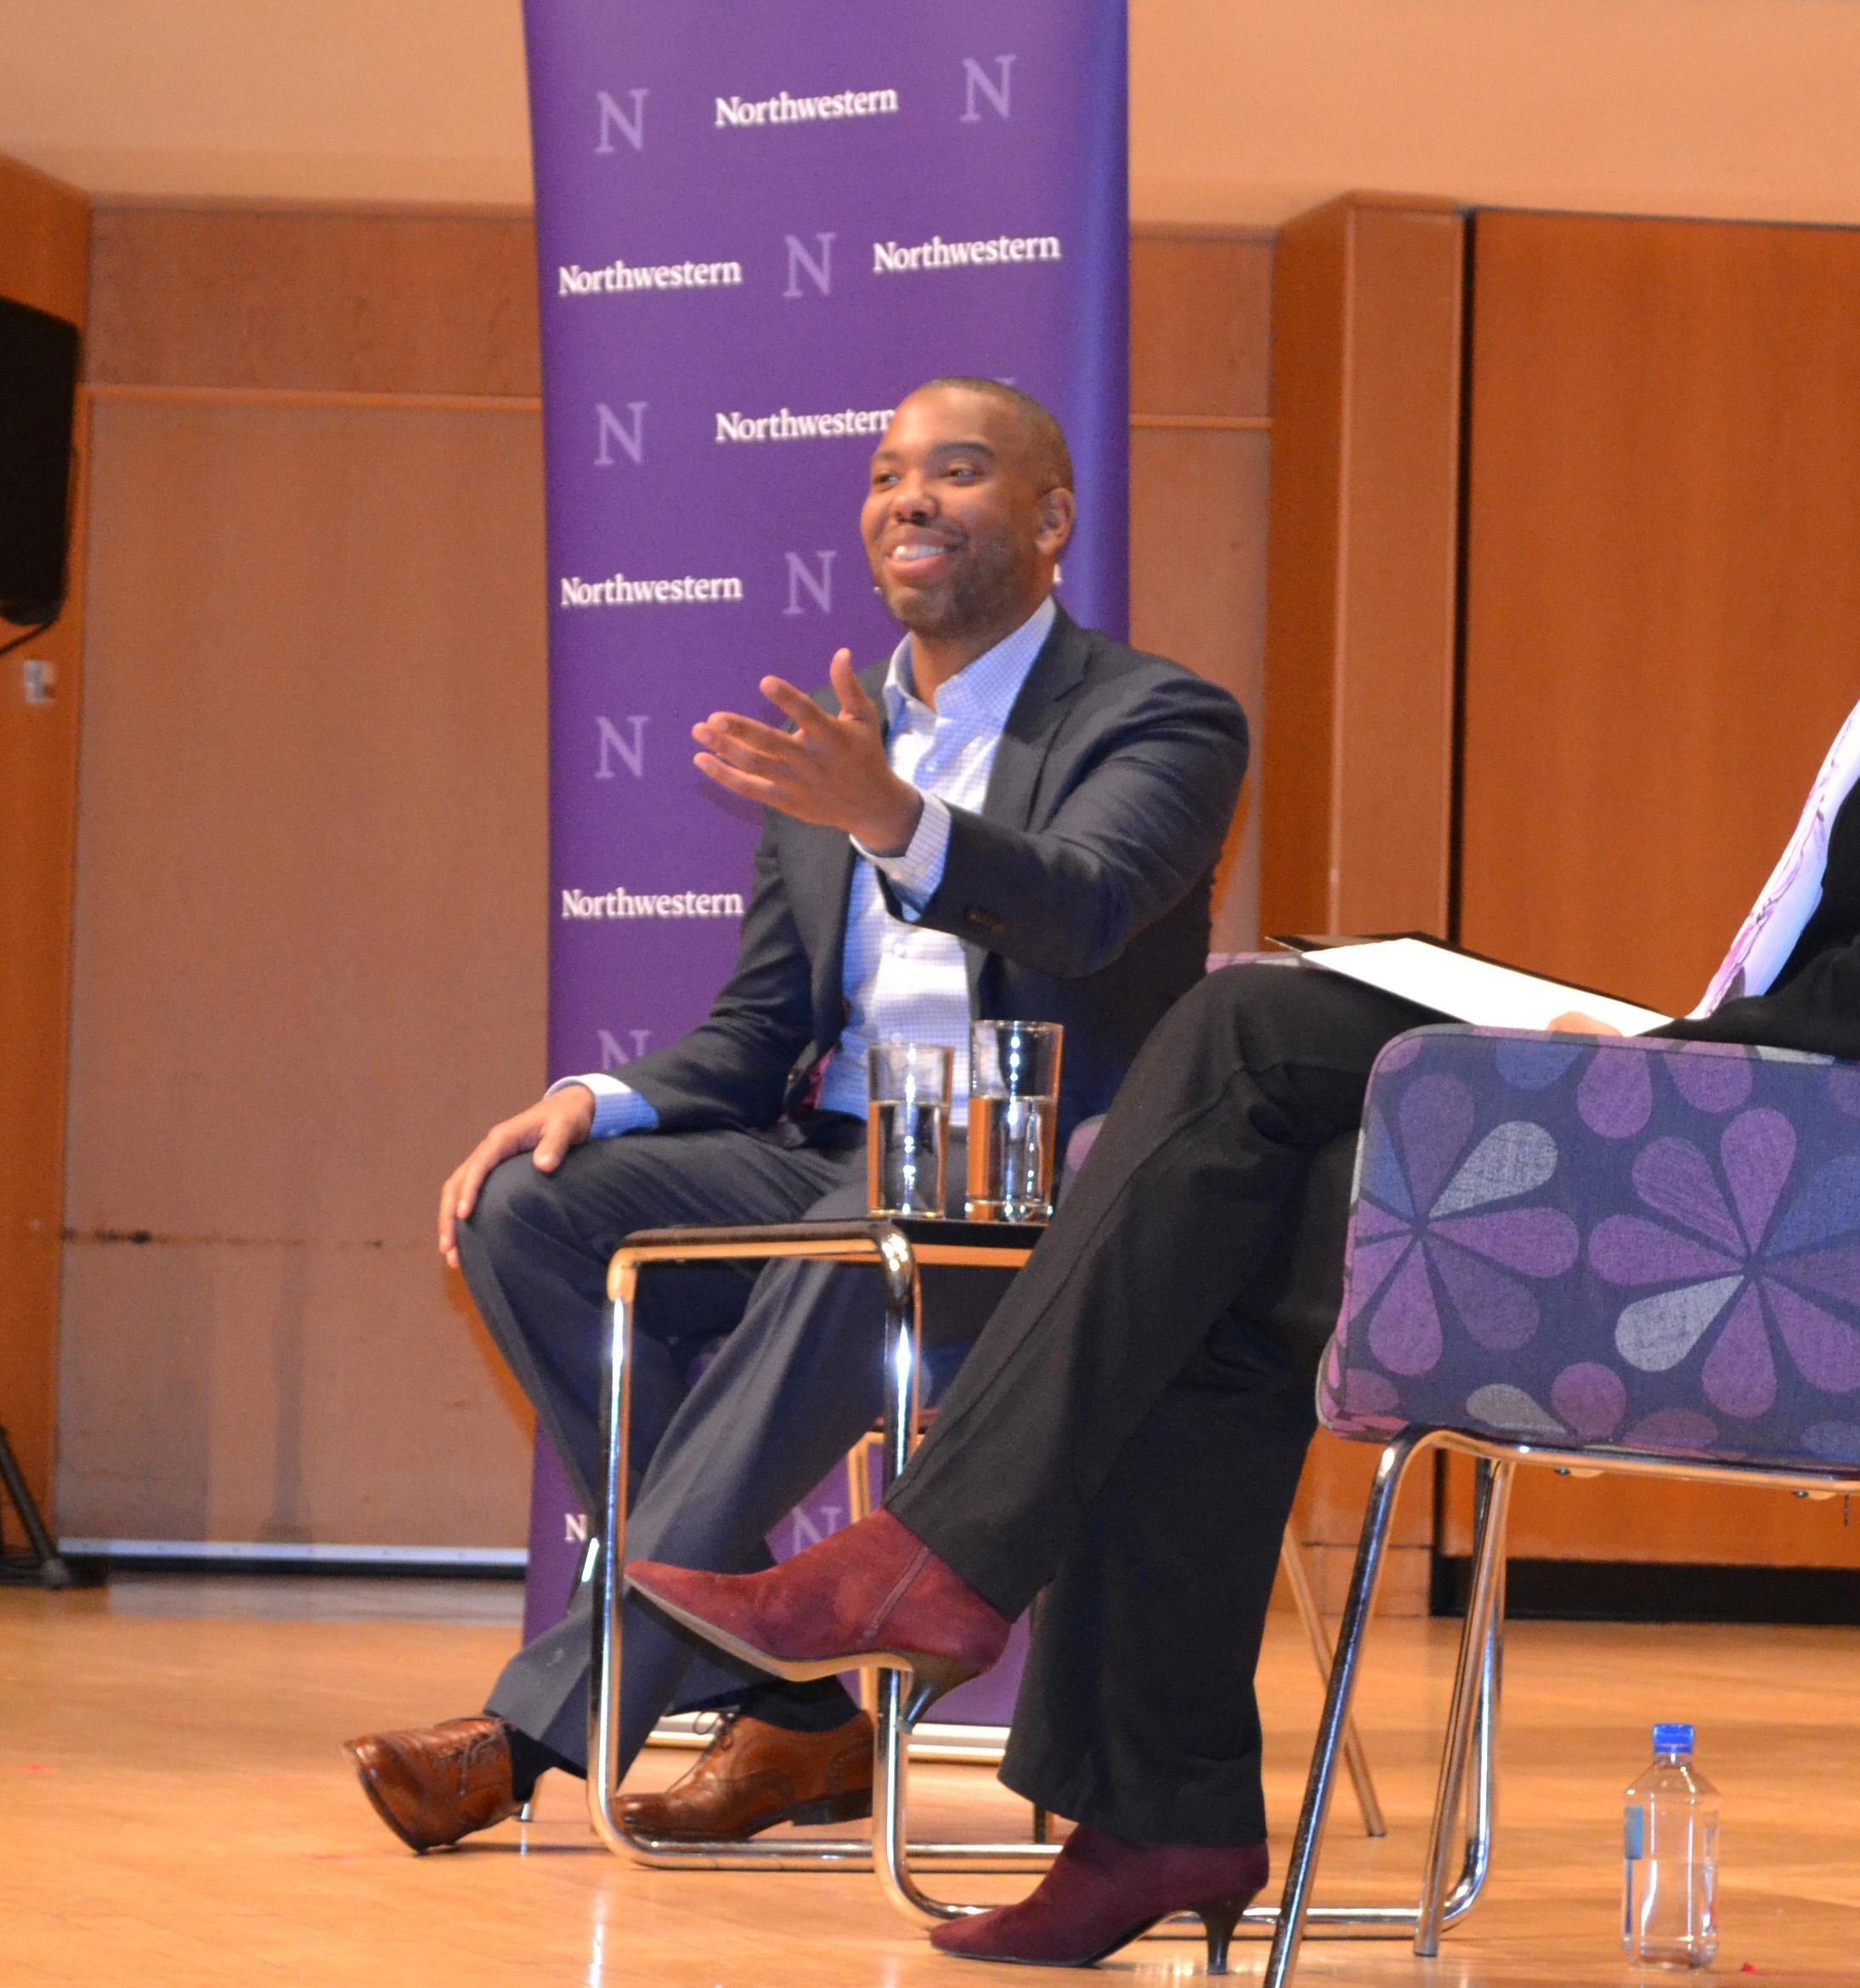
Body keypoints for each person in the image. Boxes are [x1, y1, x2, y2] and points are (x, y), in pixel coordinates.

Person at [629, 140, 1860, 1968]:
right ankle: (1151, 1812)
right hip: (1827, 1178)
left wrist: (1653, 1064)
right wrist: (1647, 1051)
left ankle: (947, 1570)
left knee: (1241, 1029)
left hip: (1817, 1221)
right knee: (1204, 1232)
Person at [341, 378, 1250, 1853]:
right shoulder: (831, 740)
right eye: (889, 474)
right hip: (830, 1153)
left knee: (853, 1241)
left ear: (1051, 518)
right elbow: (761, 1030)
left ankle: (532, 1733)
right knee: (532, 1213)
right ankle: (805, 1715)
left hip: (1032, 1185)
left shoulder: (1159, 717)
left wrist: (890, 814)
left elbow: (1086, 909)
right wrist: (594, 1096)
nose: (911, 499)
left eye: (958, 471)